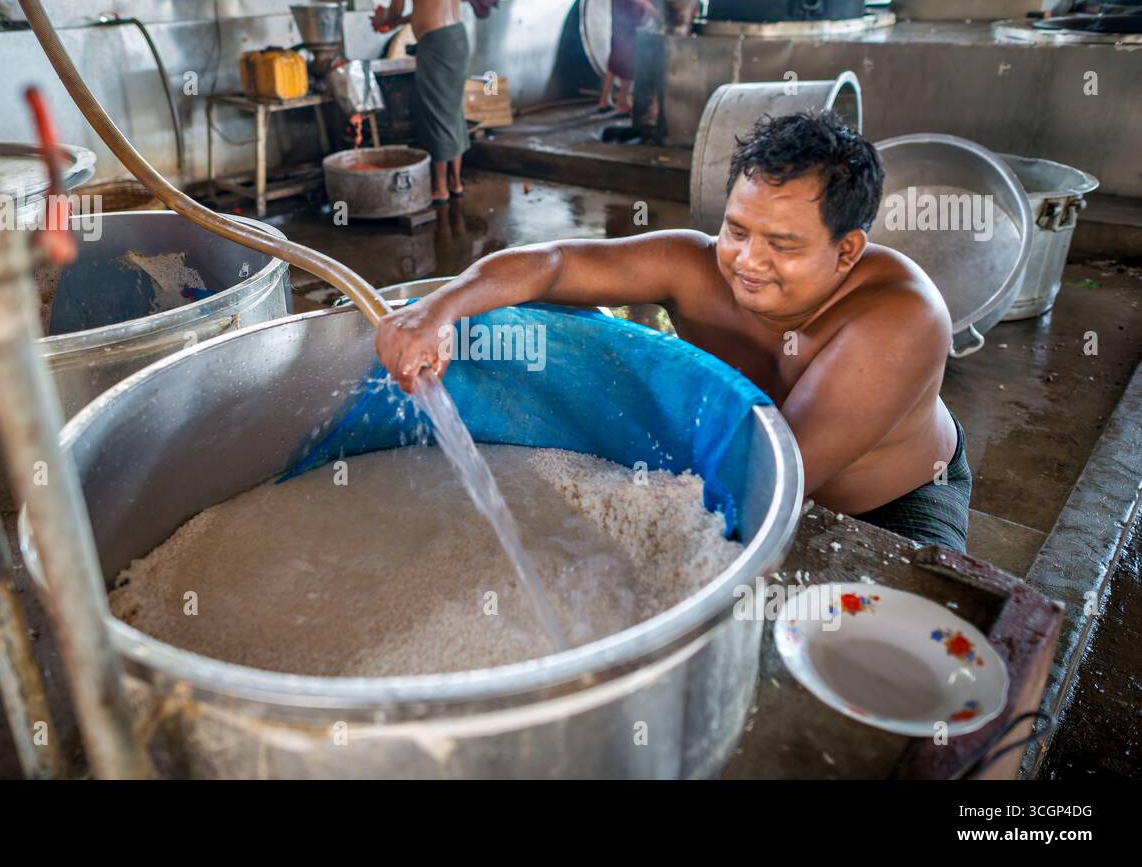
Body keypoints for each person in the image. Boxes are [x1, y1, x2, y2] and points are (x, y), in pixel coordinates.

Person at [374, 111, 973, 552]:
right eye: (738, 230)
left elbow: (776, 475)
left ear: (846, 251)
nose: (747, 261)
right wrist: (439, 309)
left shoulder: (899, 320)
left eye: (783, 245)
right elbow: (554, 263)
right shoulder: (695, 263)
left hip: (884, 510)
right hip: (749, 472)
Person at [373, 0, 469, 204]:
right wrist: (399, 20)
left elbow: (396, 6)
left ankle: (439, 187)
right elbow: (431, 5)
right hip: (458, 37)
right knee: (452, 111)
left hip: (435, 44)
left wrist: (383, 19)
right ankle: (455, 182)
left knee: (435, 112)